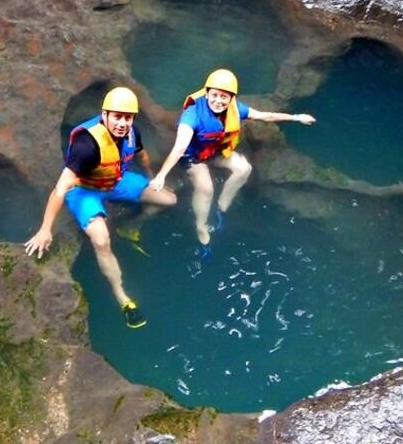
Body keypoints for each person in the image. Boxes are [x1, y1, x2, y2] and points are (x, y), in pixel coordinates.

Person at [24, 86, 176, 328]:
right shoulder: (88, 145)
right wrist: (46, 229)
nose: (122, 123)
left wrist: (154, 178)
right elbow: (61, 188)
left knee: (169, 200)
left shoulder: (131, 133)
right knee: (101, 239)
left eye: (127, 117)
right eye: (117, 116)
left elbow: (142, 156)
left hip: (116, 181)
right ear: (105, 115)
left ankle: (131, 226)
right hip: (85, 190)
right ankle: (122, 297)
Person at [149, 69, 315, 251]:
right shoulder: (193, 113)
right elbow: (180, 147)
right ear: (207, 93)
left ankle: (223, 204)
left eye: (224, 97)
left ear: (231, 98)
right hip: (194, 158)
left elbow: (263, 116)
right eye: (214, 95)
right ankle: (201, 225)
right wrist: (161, 176)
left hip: (216, 152)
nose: (218, 101)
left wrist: (296, 117)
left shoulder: (235, 108)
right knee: (206, 189)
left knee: (244, 168)